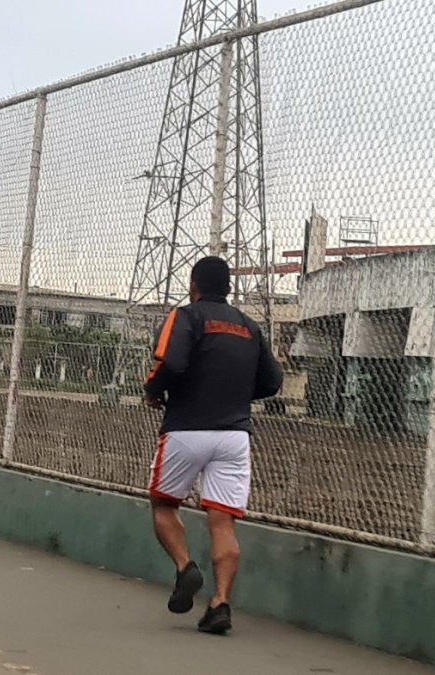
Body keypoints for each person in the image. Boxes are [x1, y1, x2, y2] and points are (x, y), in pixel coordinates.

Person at [143, 256, 282, 635]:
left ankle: (186, 568)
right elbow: (272, 382)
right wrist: (233, 392)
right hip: (235, 436)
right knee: (223, 522)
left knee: (163, 504)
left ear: (193, 285)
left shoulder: (186, 316)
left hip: (187, 429)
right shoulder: (250, 327)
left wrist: (153, 390)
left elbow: (168, 362)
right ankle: (220, 604)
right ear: (230, 289)